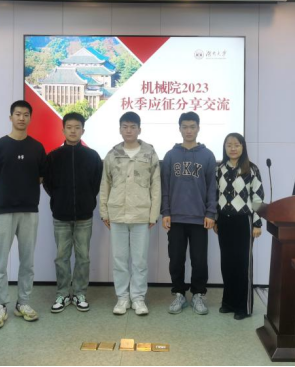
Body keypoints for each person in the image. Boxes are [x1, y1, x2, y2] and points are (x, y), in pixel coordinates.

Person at [0, 100, 46, 329]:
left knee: (27, 261)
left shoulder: (37, 148)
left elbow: (40, 177)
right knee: (0, 262)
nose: (21, 118)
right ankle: (0, 305)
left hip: (29, 211)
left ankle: (23, 303)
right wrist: (2, 197)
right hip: (3, 211)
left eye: (26, 114)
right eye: (17, 114)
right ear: (11, 117)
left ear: (30, 118)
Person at [100, 112, 161, 316]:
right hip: (117, 213)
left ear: (139, 129)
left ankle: (138, 298)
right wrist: (104, 212)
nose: (129, 130)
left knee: (140, 260)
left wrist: (153, 214)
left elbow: (156, 186)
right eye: (125, 127)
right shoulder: (113, 154)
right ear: (120, 129)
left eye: (133, 127)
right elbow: (105, 184)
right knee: (119, 259)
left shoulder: (149, 153)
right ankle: (122, 298)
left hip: (141, 214)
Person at [44, 112, 103, 313]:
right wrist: (60, 198)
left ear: (83, 131)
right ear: (63, 130)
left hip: (84, 216)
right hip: (60, 215)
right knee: (61, 257)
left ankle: (79, 293)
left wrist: (87, 200)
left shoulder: (92, 156)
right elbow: (48, 184)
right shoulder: (53, 157)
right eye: (69, 127)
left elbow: (96, 183)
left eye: (77, 127)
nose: (73, 131)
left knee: (83, 257)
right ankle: (62, 293)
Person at [161, 112, 217, 315]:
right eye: (185, 127)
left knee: (199, 260)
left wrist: (211, 213)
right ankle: (179, 294)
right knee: (176, 259)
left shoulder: (207, 155)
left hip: (200, 218)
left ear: (198, 128)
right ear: (179, 129)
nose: (189, 131)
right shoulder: (170, 155)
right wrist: (165, 212)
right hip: (175, 217)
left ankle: (198, 295)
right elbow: (165, 187)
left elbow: (212, 187)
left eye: (192, 127)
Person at [215, 133, 264, 320]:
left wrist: (257, 223)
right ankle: (228, 302)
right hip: (224, 221)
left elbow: (257, 198)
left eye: (237, 145)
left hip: (244, 221)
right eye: (229, 145)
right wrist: (216, 219)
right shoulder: (219, 169)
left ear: (243, 147)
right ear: (225, 148)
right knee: (227, 263)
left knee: (242, 264)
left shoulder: (251, 169)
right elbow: (215, 195)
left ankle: (244, 306)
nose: (233, 148)